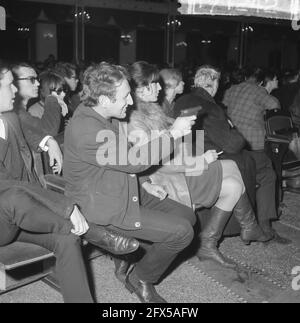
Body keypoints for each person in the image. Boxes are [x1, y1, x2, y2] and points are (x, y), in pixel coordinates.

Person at [0, 63, 139, 303]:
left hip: (25, 214)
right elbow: (6, 185)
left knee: (68, 237)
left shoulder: (10, 117)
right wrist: (65, 206)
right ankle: (92, 231)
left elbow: (39, 132)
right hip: (5, 217)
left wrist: (48, 141)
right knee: (12, 196)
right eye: (8, 85)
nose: (15, 90)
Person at [63, 62, 197, 303]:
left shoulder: (104, 115)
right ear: (104, 99)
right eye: (125, 96)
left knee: (188, 216)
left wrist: (145, 183)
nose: (131, 102)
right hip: (102, 206)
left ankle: (131, 256)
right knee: (182, 233)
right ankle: (141, 278)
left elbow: (122, 158)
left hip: (121, 186)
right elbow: (132, 160)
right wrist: (173, 134)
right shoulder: (87, 128)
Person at [127, 61, 270, 269]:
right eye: (154, 84)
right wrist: (200, 160)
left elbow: (169, 146)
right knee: (232, 174)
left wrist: (184, 138)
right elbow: (154, 162)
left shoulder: (150, 109)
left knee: (233, 178)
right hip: (162, 179)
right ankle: (238, 231)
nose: (160, 87)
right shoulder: (136, 118)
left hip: (171, 170)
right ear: (140, 88)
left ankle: (219, 239)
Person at [223, 67, 291, 244]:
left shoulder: (232, 89)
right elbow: (275, 105)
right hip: (254, 144)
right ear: (261, 81)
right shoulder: (258, 91)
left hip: (232, 144)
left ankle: (255, 222)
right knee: (269, 174)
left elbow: (225, 106)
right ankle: (265, 225)